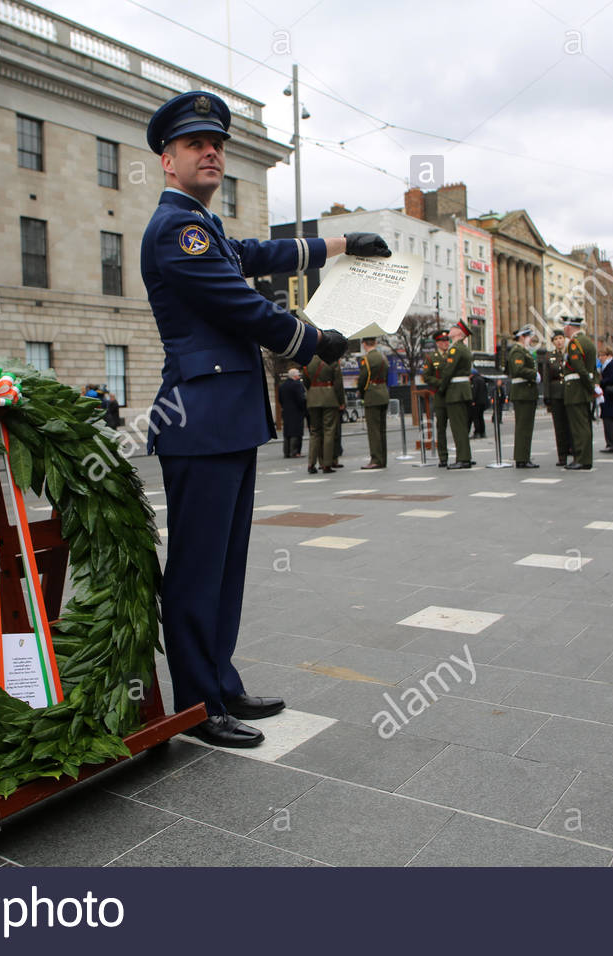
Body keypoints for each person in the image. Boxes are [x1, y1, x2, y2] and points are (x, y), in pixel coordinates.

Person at [140, 90, 389, 747]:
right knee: (198, 569)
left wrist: (340, 243)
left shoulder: (207, 227)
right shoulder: (177, 229)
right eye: (195, 144)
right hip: (199, 420)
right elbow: (240, 307)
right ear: (168, 161)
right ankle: (197, 703)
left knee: (225, 565)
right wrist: (317, 343)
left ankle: (220, 683)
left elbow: (256, 254)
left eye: (215, 143)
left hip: (226, 417)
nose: (211, 152)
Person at [438, 320, 474, 468]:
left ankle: (463, 458)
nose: (450, 330)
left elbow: (448, 371)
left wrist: (441, 388)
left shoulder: (455, 349)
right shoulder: (463, 348)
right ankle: (465, 456)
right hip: (463, 390)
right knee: (462, 426)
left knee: (458, 427)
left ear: (459, 333)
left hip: (456, 391)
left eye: (454, 328)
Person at [562, 316, 597, 470]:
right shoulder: (588, 342)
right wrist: (593, 387)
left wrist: (591, 387)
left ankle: (582, 459)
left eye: (565, 326)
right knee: (584, 425)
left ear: (569, 327)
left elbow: (579, 368)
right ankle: (584, 458)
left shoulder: (575, 343)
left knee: (579, 427)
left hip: (576, 390)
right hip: (582, 389)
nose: (564, 330)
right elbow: (592, 370)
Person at [505, 325, 540, 468]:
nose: (530, 340)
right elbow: (518, 369)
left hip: (526, 392)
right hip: (523, 392)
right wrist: (534, 374)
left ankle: (524, 456)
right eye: (528, 337)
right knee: (523, 427)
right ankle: (521, 458)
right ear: (521, 337)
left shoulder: (523, 351)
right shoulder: (517, 351)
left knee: (526, 427)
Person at [356, 337, 389, 469]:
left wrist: (362, 392)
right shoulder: (383, 357)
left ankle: (376, 459)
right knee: (382, 430)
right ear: (375, 343)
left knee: (374, 430)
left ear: (364, 344)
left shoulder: (367, 359)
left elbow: (364, 378)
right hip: (383, 393)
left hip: (372, 394)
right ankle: (383, 459)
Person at [304, 354, 339, 473]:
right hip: (329, 397)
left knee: (314, 432)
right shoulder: (332, 359)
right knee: (329, 431)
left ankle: (311, 464)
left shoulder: (308, 359)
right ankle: (327, 464)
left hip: (313, 398)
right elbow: (338, 382)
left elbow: (306, 380)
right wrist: (341, 401)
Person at [543, 327, 573, 466]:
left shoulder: (570, 353)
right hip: (556, 394)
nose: (559, 341)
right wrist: (547, 396)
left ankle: (573, 450)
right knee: (559, 426)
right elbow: (547, 378)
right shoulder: (550, 356)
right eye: (556, 339)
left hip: (569, 392)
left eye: (561, 338)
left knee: (571, 424)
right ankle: (562, 456)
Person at [423, 330, 451, 467]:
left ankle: (462, 456)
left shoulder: (452, 355)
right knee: (441, 428)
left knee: (459, 426)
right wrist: (441, 384)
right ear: (437, 343)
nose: (446, 343)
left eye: (447, 340)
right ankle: (443, 457)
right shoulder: (431, 358)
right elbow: (427, 377)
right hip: (440, 395)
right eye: (443, 341)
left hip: (453, 394)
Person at [277, 367, 306, 457]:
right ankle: (295, 451)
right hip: (297, 411)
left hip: (286, 411)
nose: (299, 377)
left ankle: (286, 452)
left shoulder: (282, 386)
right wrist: (304, 408)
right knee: (296, 432)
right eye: (298, 375)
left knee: (287, 432)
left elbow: (280, 399)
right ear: (295, 376)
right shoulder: (297, 385)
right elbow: (301, 399)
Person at [470, 369, 489, 439]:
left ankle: (477, 432)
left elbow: (475, 390)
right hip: (483, 401)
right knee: (481, 417)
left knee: (476, 417)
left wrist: (473, 400)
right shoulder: (482, 379)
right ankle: (482, 432)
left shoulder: (475, 380)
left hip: (477, 402)